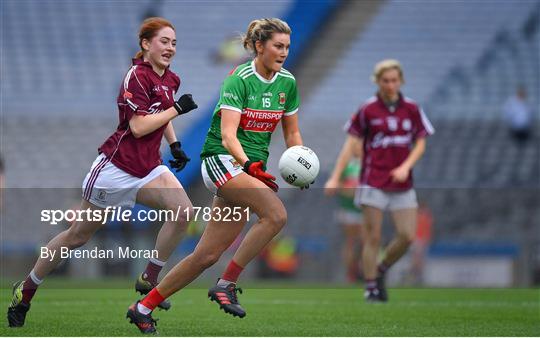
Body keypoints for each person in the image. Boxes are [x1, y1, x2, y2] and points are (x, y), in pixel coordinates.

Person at [7, 17, 198, 327]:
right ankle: (26, 290)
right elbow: (137, 127)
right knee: (77, 236)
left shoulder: (171, 79)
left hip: (148, 168)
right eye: (164, 41)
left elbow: (161, 116)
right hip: (115, 170)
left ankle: (148, 278)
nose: (170, 48)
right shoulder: (136, 76)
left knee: (183, 212)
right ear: (146, 44)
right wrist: (176, 109)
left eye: (174, 43)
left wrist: (174, 145)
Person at [126, 18, 307, 334]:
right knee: (276, 215)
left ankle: (143, 307)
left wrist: (301, 161)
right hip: (222, 161)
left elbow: (292, 134)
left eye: (287, 47)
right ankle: (227, 282)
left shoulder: (287, 83)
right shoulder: (239, 79)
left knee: (206, 255)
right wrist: (249, 165)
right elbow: (228, 136)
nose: (284, 52)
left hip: (248, 168)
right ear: (260, 46)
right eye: (278, 46)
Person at [324, 59, 434, 302]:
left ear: (401, 81)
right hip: (373, 180)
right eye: (385, 80)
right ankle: (371, 285)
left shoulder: (412, 109)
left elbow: (421, 144)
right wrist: (335, 177)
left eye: (394, 80)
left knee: (407, 236)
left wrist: (405, 167)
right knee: (372, 236)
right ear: (378, 82)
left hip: (402, 183)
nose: (390, 85)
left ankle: (381, 269)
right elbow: (349, 145)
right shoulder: (368, 110)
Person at [334, 158, 364, 283]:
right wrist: (348, 190)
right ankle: (350, 274)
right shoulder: (346, 165)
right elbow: (336, 184)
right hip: (350, 210)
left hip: (365, 210)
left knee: (366, 242)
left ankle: (362, 272)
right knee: (351, 243)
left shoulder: (369, 161)